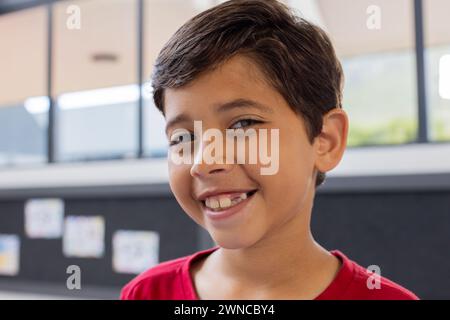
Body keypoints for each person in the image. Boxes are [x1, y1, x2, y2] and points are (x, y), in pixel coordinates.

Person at [121, 0, 418, 300]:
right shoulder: (146, 293)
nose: (204, 162)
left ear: (326, 140)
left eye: (243, 124)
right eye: (182, 138)